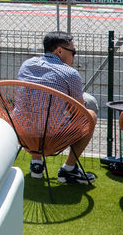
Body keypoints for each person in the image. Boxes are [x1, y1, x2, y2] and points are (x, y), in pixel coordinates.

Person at [16, 31, 97, 184]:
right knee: (90, 114)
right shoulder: (70, 73)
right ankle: (69, 169)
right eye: (73, 52)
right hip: (51, 141)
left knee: (37, 108)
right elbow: (79, 113)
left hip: (22, 135)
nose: (74, 56)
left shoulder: (27, 64)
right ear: (59, 51)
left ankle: (37, 164)